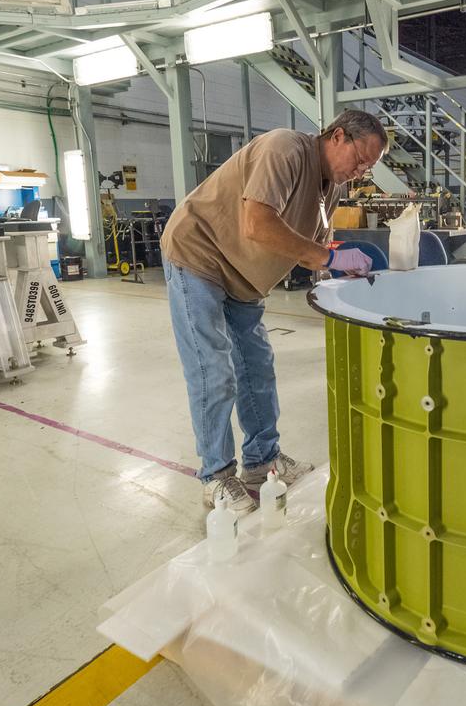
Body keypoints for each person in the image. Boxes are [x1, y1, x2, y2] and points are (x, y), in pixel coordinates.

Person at [160, 110, 387, 511]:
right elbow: (258, 224)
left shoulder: (332, 188)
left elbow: (311, 249)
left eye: (369, 167)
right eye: (360, 159)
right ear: (338, 136)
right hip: (200, 256)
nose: (361, 172)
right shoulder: (285, 149)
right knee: (214, 370)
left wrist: (337, 268)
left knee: (257, 370)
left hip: (245, 277)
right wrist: (328, 257)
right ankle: (216, 476)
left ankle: (262, 461)